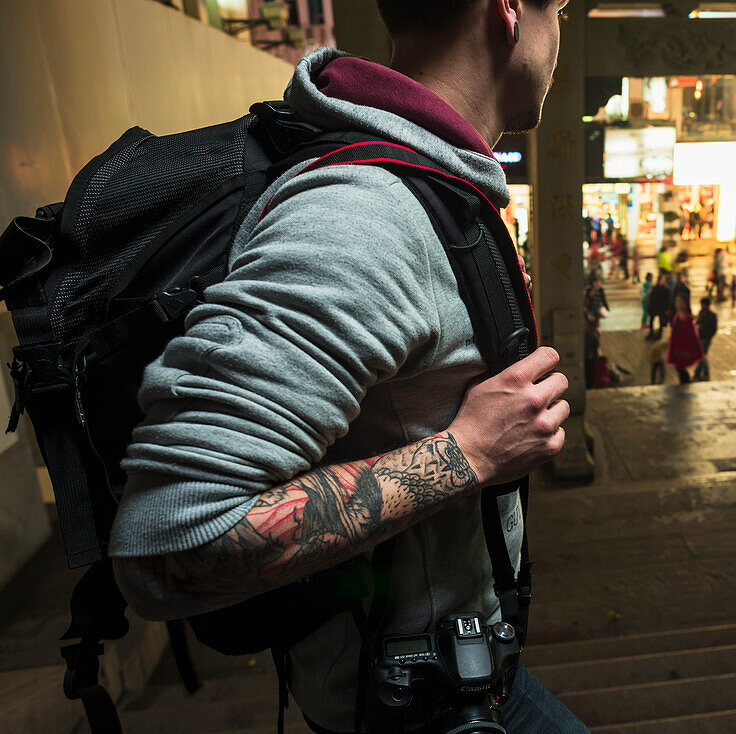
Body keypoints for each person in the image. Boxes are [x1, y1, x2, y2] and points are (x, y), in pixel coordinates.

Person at [108, 3, 587, 734]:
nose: (561, 34)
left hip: (465, 678)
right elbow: (172, 541)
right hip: (413, 714)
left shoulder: (426, 176)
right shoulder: (364, 218)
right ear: (509, 10)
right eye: (557, 7)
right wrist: (471, 452)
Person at [666, 295, 705, 384]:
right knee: (680, 369)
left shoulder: (686, 318)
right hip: (678, 347)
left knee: (681, 369)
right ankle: (685, 384)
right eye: (677, 302)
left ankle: (686, 385)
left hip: (682, 348)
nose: (677, 304)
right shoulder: (679, 316)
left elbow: (688, 335)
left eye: (679, 302)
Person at [693, 297, 717, 381]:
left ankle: (698, 374)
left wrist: (707, 338)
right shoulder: (701, 313)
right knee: (702, 356)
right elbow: (698, 323)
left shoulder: (712, 316)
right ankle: (703, 373)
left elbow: (713, 329)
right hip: (700, 338)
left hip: (706, 339)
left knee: (702, 356)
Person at [646, 272, 671, 340]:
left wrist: (667, 309)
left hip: (661, 308)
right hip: (655, 307)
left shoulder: (665, 289)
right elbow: (651, 298)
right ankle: (651, 333)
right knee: (652, 320)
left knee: (660, 321)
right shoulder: (656, 288)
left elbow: (667, 300)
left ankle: (659, 334)